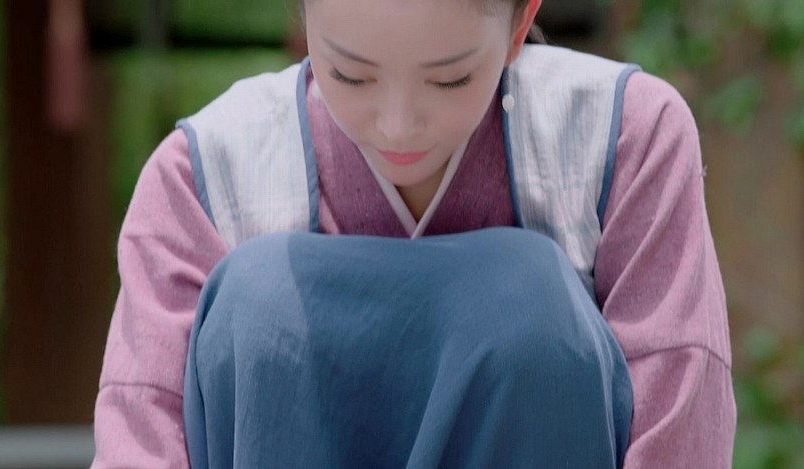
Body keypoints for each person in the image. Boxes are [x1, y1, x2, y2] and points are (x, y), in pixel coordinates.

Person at [91, 0, 737, 467]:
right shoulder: (206, 174)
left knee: (530, 300)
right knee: (261, 299)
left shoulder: (622, 138)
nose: (398, 126)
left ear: (519, 24)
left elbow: (678, 418)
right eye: (351, 74)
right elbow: (142, 440)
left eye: (449, 77)